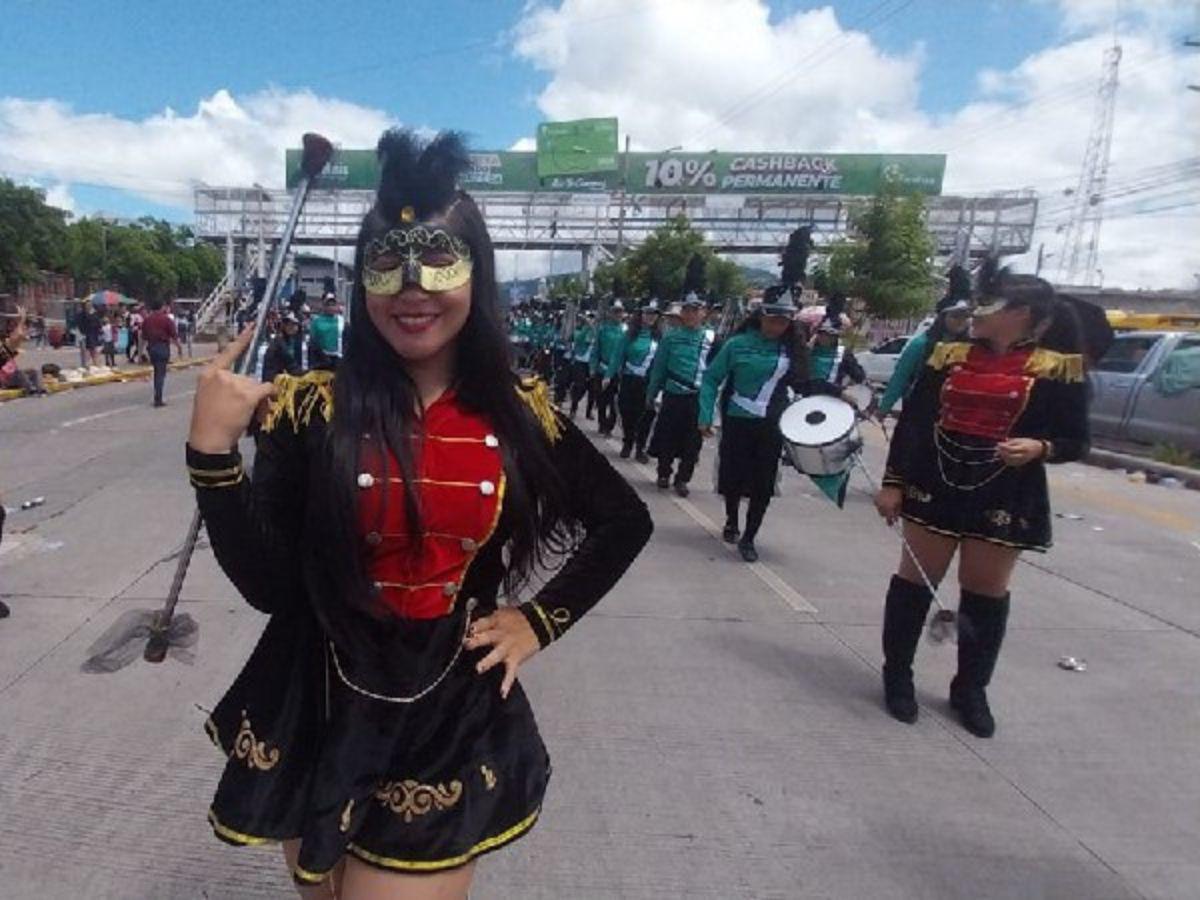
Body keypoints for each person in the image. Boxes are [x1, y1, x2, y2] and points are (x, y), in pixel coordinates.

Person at [185, 129, 652, 899]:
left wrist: (536, 623)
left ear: (479, 272)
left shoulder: (522, 413)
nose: (412, 288)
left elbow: (623, 521)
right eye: (387, 263)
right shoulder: (312, 408)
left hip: (446, 710)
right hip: (319, 694)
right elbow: (270, 587)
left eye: (438, 260)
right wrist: (212, 459)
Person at [874, 259, 1089, 738]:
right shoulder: (947, 356)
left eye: (988, 303)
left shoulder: (1057, 368)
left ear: (1023, 314)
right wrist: (893, 482)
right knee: (914, 582)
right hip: (936, 479)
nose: (975, 311)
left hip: (1006, 490)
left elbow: (1077, 439)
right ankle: (897, 675)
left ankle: (970, 689)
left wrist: (1040, 447)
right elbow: (915, 422)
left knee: (985, 594)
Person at [698, 288, 839, 562]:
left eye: (783, 321)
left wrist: (838, 395)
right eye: (773, 319)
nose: (777, 326)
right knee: (733, 476)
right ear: (761, 316)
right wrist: (705, 416)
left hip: (772, 424)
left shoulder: (792, 349)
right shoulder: (736, 345)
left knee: (763, 482)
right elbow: (711, 379)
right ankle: (731, 519)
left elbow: (805, 384)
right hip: (738, 420)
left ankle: (749, 537)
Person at [645, 292, 711, 496]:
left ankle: (683, 478)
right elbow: (659, 368)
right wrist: (651, 393)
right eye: (687, 310)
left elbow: (716, 373)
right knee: (668, 436)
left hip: (697, 396)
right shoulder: (671, 337)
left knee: (693, 441)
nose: (691, 314)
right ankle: (664, 472)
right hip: (673, 393)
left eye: (695, 310)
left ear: (703, 313)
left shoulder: (711, 339)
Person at [877, 297, 972, 416]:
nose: (961, 321)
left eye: (965, 317)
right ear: (942, 318)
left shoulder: (972, 347)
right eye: (955, 316)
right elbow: (900, 378)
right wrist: (883, 409)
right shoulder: (921, 344)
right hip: (919, 410)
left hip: (955, 415)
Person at [607, 300, 660, 461]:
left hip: (649, 382)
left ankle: (640, 448)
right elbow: (617, 355)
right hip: (629, 380)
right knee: (627, 412)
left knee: (646, 415)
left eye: (654, 314)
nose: (651, 316)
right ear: (641, 314)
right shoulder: (629, 335)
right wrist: (608, 375)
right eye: (647, 313)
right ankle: (628, 441)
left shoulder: (660, 338)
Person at [591, 300, 625, 437]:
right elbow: (596, 350)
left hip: (618, 371)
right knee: (602, 399)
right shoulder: (603, 329)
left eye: (620, 312)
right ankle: (602, 422)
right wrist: (593, 367)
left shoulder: (626, 330)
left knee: (615, 402)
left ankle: (610, 425)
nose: (618, 314)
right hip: (602, 369)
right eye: (615, 312)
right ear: (610, 313)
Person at [1, 296, 47, 396]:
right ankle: (30, 389)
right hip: (5, 379)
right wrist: (21, 320)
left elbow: (19, 336)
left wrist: (22, 320)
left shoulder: (7, 347)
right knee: (19, 373)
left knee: (34, 371)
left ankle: (41, 389)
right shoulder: (5, 346)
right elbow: (19, 336)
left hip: (13, 376)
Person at [142, 299, 183, 407]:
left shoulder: (147, 320)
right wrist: (179, 348)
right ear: (162, 307)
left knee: (157, 371)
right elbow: (174, 336)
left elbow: (143, 337)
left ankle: (157, 394)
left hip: (151, 347)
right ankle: (158, 399)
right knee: (160, 373)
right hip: (162, 347)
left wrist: (141, 352)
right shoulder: (166, 320)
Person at [567, 310, 597, 419]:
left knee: (593, 389)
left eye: (593, 318)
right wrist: (587, 327)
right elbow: (578, 339)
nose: (591, 320)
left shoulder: (597, 332)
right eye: (589, 318)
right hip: (580, 362)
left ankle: (589, 412)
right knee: (579, 386)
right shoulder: (580, 330)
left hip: (592, 364)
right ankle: (573, 409)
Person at [261, 312, 306, 383]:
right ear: (284, 326)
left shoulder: (289, 340)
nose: (293, 328)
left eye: (295, 325)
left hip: (281, 377)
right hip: (274, 380)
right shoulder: (280, 342)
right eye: (289, 325)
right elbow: (290, 365)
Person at [309, 294, 347, 370]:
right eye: (328, 305)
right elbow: (313, 341)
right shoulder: (316, 321)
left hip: (338, 358)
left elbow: (346, 340)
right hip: (321, 359)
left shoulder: (342, 321)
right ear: (324, 306)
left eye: (333, 305)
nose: (331, 307)